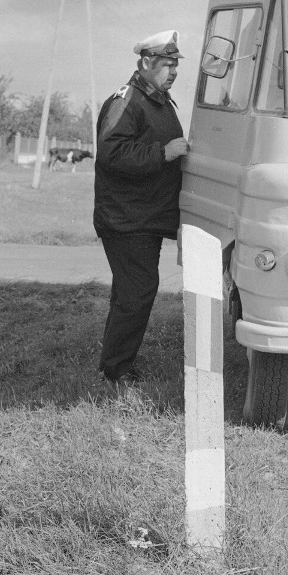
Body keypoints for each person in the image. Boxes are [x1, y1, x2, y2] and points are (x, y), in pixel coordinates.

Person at [93, 29, 189, 386]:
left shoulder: (159, 100)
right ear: (147, 63)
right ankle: (116, 370)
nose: (174, 71)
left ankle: (115, 363)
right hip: (125, 219)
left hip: (143, 218)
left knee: (131, 293)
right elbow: (111, 152)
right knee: (137, 292)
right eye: (167, 64)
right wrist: (163, 153)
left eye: (176, 64)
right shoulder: (127, 100)